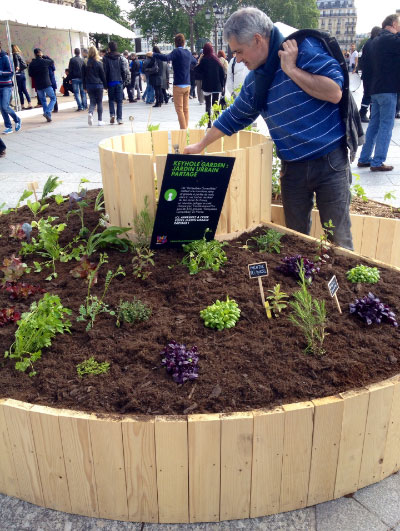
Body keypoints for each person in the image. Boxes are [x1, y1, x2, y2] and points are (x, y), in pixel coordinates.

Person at [185, 7, 353, 250]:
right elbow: (235, 115)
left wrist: (292, 70)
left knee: (340, 240)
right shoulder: (257, 79)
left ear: (257, 40)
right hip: (292, 167)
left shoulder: (302, 50)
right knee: (296, 240)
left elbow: (334, 92)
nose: (238, 59)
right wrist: (201, 144)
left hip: (329, 163)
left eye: (240, 51)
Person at [357, 14, 400, 172]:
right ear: (394, 24)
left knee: (374, 125)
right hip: (388, 88)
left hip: (375, 89)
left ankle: (364, 158)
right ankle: (377, 161)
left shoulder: (374, 41)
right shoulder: (389, 39)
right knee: (386, 126)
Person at [147, 34, 197, 129]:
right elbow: (195, 62)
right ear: (184, 42)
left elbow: (166, 58)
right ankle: (186, 128)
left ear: (175, 43)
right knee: (186, 109)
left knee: (179, 109)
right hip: (187, 84)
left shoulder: (176, 52)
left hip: (178, 84)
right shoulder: (187, 52)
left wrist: (153, 54)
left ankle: (183, 130)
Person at [194, 43, 225, 127]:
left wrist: (199, 59)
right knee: (215, 104)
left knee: (208, 104)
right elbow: (222, 73)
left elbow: (196, 70)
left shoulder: (204, 60)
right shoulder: (216, 60)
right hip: (216, 86)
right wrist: (222, 86)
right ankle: (217, 123)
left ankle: (209, 124)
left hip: (207, 86)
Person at [102, 41, 130, 124]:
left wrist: (105, 83)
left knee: (111, 100)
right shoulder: (120, 57)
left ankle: (112, 114)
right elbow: (124, 70)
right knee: (119, 101)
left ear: (109, 48)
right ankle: (119, 119)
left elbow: (105, 71)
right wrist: (124, 80)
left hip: (110, 82)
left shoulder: (105, 58)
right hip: (119, 81)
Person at [358, 26, 381, 123]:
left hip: (367, 73)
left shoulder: (367, 43)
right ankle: (365, 113)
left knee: (367, 94)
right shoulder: (375, 43)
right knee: (370, 94)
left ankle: (364, 113)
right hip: (373, 74)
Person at [28, 48, 57, 123]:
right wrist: (45, 56)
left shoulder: (32, 63)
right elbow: (52, 61)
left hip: (38, 85)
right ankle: (47, 112)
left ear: (34, 54)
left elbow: (30, 74)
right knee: (53, 98)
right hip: (47, 83)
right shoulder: (44, 61)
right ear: (40, 53)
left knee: (43, 100)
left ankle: (48, 116)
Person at [0, 43, 22, 134]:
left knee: (5, 106)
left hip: (6, 86)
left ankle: (17, 120)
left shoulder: (6, 58)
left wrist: (1, 73)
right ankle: (8, 127)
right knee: (2, 108)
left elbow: (11, 72)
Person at [83, 46, 107, 126]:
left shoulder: (85, 63)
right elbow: (102, 75)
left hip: (89, 85)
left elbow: (83, 76)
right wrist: (105, 85)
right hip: (98, 85)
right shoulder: (99, 63)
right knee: (99, 102)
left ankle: (90, 113)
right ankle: (100, 120)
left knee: (92, 101)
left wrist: (84, 87)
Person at [11, 45, 32, 110]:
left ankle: (22, 105)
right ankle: (29, 103)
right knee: (24, 90)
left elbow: (16, 63)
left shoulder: (15, 55)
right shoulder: (20, 55)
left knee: (20, 91)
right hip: (22, 74)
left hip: (18, 75)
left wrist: (17, 68)